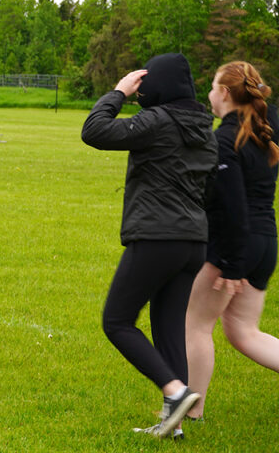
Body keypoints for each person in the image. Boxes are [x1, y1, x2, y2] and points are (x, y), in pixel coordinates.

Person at [81, 53, 217, 439]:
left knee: (117, 321)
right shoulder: (205, 130)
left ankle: (175, 391)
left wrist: (118, 93)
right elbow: (211, 190)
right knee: (168, 328)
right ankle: (174, 425)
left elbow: (95, 131)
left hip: (158, 236)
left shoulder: (157, 121)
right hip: (194, 243)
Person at [185, 61, 279, 420]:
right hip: (265, 244)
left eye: (213, 87)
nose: (209, 94)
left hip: (236, 246)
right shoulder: (266, 128)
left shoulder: (225, 140)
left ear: (224, 93)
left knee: (194, 325)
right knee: (243, 332)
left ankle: (190, 413)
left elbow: (234, 209)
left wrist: (232, 264)